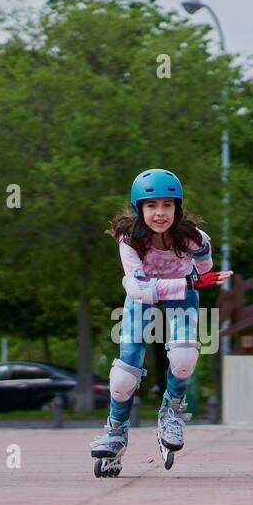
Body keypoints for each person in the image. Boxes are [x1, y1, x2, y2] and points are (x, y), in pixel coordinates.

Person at [89, 169, 230, 474]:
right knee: (125, 373)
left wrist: (196, 276)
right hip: (147, 298)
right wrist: (190, 283)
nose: (160, 213)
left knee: (183, 357)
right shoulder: (130, 240)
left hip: (182, 295)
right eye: (151, 206)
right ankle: (115, 430)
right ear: (139, 209)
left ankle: (172, 413)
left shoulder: (193, 238)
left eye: (167, 205)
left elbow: (205, 268)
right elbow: (138, 288)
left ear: (178, 208)